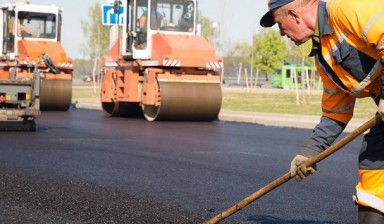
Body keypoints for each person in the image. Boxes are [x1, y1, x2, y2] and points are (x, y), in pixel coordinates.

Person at [260, 0, 384, 223]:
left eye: (280, 24)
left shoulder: (347, 9)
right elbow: (336, 113)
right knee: (373, 159)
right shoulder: (324, 57)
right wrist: (309, 152)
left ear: (294, 14)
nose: (280, 33)